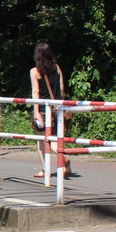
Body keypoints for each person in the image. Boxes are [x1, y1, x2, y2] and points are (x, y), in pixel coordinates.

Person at [30, 43, 70, 178]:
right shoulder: (57, 68)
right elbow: (62, 88)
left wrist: (36, 112)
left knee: (42, 141)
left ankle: (52, 165)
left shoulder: (35, 71)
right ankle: (57, 161)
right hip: (58, 108)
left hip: (43, 109)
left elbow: (36, 92)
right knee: (54, 137)